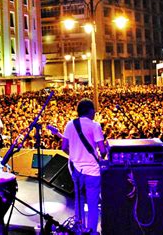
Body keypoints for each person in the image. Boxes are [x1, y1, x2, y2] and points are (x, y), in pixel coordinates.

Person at [61, 98, 106, 234]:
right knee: (93, 203)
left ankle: (79, 229)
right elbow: (102, 150)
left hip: (77, 170)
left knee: (78, 201)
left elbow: (64, 147)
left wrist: (74, 155)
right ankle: (92, 231)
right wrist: (101, 156)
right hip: (93, 171)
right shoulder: (95, 126)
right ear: (90, 110)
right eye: (94, 111)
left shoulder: (69, 125)